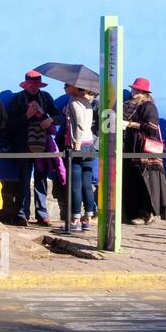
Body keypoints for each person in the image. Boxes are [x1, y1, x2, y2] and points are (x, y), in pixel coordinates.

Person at [5, 70, 59, 226]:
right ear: (26, 85)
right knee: (24, 180)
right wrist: (27, 116)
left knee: (41, 180)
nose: (34, 88)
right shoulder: (18, 100)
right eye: (31, 85)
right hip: (23, 146)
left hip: (42, 146)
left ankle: (42, 214)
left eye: (36, 85)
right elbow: (10, 125)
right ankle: (22, 214)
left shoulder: (46, 98)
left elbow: (59, 116)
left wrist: (50, 120)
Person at [123, 77, 166, 223]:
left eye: (136, 89)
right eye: (133, 88)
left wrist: (129, 124)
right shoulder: (129, 105)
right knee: (132, 180)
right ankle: (134, 213)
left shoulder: (148, 106)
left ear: (143, 91)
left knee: (143, 182)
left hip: (143, 150)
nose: (133, 91)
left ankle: (146, 213)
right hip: (130, 147)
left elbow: (151, 126)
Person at [63, 84, 98, 232]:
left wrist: (76, 143)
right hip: (90, 144)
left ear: (75, 87)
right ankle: (88, 218)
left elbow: (79, 124)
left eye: (67, 86)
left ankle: (76, 219)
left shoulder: (75, 102)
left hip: (78, 145)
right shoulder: (88, 102)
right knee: (86, 184)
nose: (64, 88)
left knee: (75, 185)